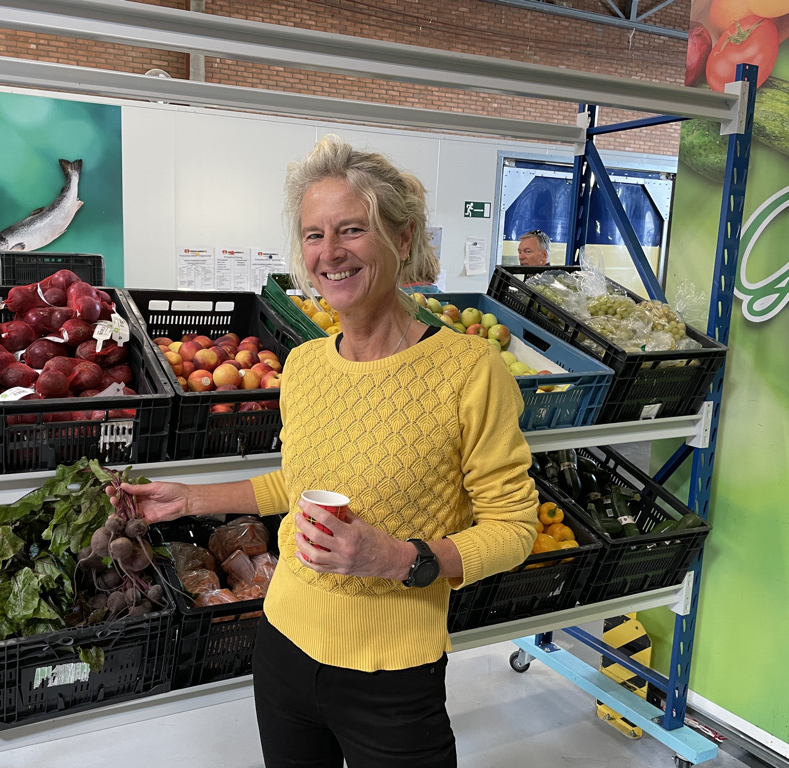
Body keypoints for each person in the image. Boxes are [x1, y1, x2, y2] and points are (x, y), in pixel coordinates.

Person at [113, 135, 538, 768]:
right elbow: (297, 482)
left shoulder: (469, 370)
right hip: (283, 647)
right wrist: (191, 498)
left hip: (392, 675)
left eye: (351, 230)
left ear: (401, 237)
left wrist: (400, 557)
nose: (329, 253)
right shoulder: (307, 365)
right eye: (313, 235)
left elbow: (516, 526)